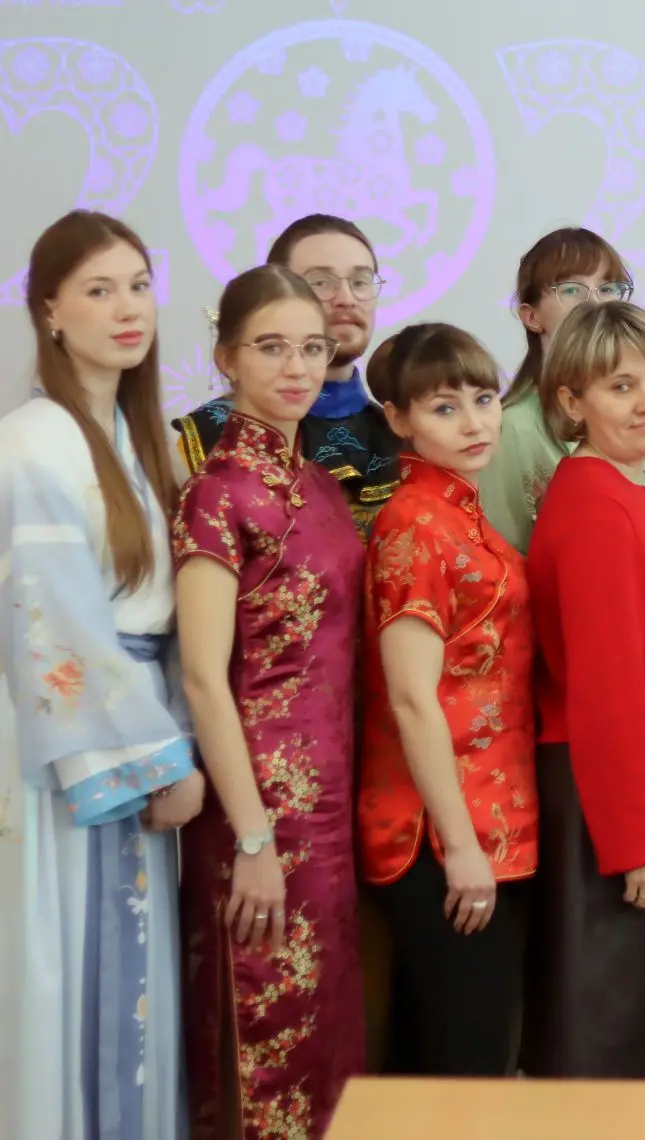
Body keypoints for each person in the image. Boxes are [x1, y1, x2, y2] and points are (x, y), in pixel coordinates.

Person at [0, 209, 203, 1140]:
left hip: (137, 728)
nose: (128, 309)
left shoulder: (136, 438)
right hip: (79, 755)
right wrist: (165, 761)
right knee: (76, 973)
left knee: (135, 987)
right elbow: (55, 624)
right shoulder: (34, 442)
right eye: (98, 290)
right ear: (48, 311)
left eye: (139, 286)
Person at [173, 264, 367, 1137]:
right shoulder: (216, 494)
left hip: (329, 800)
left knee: (326, 1030)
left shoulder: (319, 486)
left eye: (312, 348)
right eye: (272, 347)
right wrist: (252, 837)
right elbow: (201, 678)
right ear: (226, 358)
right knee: (263, 1023)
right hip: (257, 803)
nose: (296, 368)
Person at [521, 300, 645, 1078]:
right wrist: (636, 845)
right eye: (620, 386)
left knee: (610, 1003)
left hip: (622, 776)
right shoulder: (598, 506)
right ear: (572, 401)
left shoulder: (616, 490)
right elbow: (604, 689)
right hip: (607, 783)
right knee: (595, 1016)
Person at [357, 324, 537, 1076]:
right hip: (438, 832)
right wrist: (461, 848)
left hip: (490, 818)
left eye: (483, 399)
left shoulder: (460, 512)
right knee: (464, 1062)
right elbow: (410, 697)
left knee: (454, 1053)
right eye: (443, 407)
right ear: (398, 418)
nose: (473, 422)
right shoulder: (414, 524)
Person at [174, 214, 401, 537]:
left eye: (361, 282)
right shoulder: (206, 438)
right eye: (320, 282)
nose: (346, 298)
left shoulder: (404, 434)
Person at [477, 226, 636, 552]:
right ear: (531, 316)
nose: (595, 303)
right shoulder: (512, 428)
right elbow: (503, 558)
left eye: (608, 288)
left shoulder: (629, 412)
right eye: (572, 289)